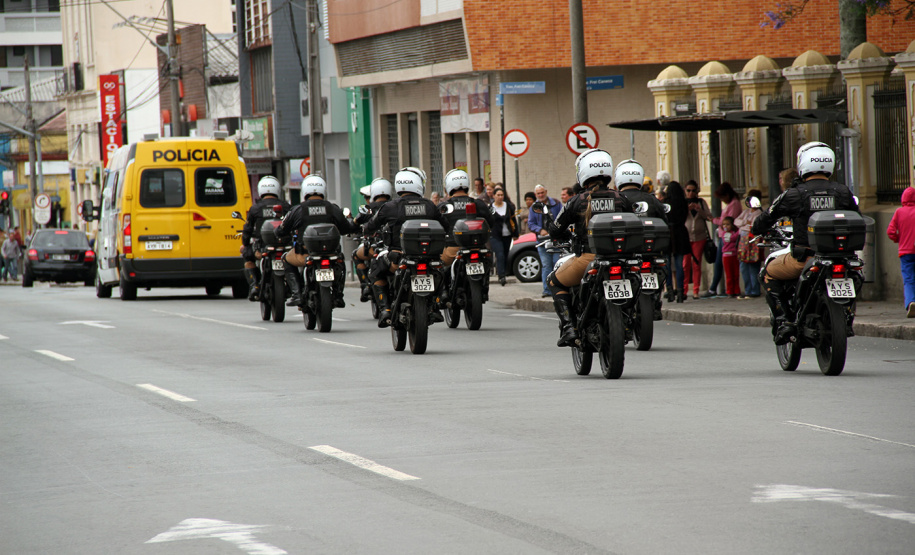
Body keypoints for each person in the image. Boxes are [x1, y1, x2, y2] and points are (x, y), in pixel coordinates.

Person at [752, 141, 860, 344]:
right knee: (855, 276)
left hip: (806, 259)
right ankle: (847, 315)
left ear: (803, 163)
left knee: (767, 273)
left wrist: (758, 228)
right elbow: (857, 217)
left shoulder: (794, 193)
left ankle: (784, 320)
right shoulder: (843, 191)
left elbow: (765, 218)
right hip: (842, 258)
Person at [545, 148, 632, 347]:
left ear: (583, 172)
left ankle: (569, 328)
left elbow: (555, 230)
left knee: (553, 281)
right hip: (622, 259)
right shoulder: (621, 198)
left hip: (589, 259)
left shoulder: (576, 201)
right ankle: (629, 321)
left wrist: (564, 234)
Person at [363, 166, 446, 327]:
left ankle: (385, 309)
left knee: (375, 271)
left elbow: (370, 226)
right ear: (418, 184)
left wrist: (365, 229)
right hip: (429, 258)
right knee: (441, 272)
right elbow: (445, 225)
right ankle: (435, 305)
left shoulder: (389, 207)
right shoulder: (429, 205)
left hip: (398, 257)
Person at [276, 175, 358, 308]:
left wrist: (281, 232)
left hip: (305, 254)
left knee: (285, 258)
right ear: (323, 190)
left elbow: (281, 230)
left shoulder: (297, 209)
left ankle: (297, 294)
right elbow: (346, 229)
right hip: (331, 254)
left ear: (304, 191)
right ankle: (338, 295)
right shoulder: (333, 208)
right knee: (341, 262)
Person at [240, 176, 291, 301]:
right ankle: (295, 287)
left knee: (247, 256)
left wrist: (245, 244)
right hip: (284, 246)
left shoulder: (255, 208)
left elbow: (247, 229)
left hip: (262, 247)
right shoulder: (285, 206)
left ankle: (254, 286)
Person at [439, 168, 493, 269]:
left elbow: (437, 226)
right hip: (477, 248)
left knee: (439, 268)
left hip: (452, 249)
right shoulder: (478, 203)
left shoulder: (444, 207)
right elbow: (491, 222)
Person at [353, 177, 394, 302]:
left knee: (355, 255)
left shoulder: (367, 208)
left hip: (373, 248)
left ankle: (365, 285)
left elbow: (355, 223)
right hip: (393, 248)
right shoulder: (394, 206)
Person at [701, 182, 743, 298]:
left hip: (727, 239)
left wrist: (715, 220)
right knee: (722, 266)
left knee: (726, 268)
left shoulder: (734, 204)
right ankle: (720, 288)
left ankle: (718, 289)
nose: (722, 200)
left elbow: (728, 222)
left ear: (727, 195)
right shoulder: (731, 204)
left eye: (722, 197)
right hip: (724, 237)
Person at [528, 184, 563, 297]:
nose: (541, 195)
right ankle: (547, 290)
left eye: (542, 192)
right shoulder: (534, 207)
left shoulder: (556, 203)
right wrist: (540, 230)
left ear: (546, 192)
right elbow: (531, 224)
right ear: (535, 195)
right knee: (546, 266)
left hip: (556, 240)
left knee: (557, 265)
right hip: (543, 241)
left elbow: (562, 218)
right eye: (538, 193)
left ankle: (558, 290)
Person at [887, 186, 915, 318]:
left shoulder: (899, 212)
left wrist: (899, 239)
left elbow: (890, 232)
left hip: (905, 252)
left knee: (909, 279)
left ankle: (911, 302)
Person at [683, 180, 712, 299]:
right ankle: (684, 290)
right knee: (685, 264)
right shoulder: (683, 202)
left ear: (697, 191)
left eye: (693, 190)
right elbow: (679, 217)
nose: (691, 193)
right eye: (688, 190)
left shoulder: (701, 202)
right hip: (686, 237)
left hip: (699, 237)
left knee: (696, 263)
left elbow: (709, 217)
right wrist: (687, 210)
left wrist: (700, 210)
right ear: (685, 191)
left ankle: (696, 290)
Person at [665, 181, 691, 303]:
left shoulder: (665, 203)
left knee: (667, 264)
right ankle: (680, 292)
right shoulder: (683, 202)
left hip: (668, 234)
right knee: (680, 265)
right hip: (680, 233)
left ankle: (670, 291)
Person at [735, 189, 763, 298]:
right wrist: (744, 223)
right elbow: (736, 221)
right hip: (743, 239)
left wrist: (744, 225)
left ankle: (754, 290)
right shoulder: (746, 212)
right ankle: (748, 290)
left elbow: (753, 226)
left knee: (753, 265)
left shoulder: (759, 213)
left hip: (752, 240)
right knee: (743, 265)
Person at [490, 187, 518, 286]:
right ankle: (501, 276)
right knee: (500, 254)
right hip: (495, 235)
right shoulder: (491, 207)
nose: (500, 197)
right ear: (494, 196)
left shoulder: (508, 206)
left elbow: (513, 220)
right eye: (498, 195)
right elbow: (488, 221)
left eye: (502, 195)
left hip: (507, 234)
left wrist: (515, 234)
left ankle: (504, 272)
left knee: (505, 254)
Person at [719, 216, 741, 297]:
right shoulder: (725, 234)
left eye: (728, 224)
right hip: (727, 256)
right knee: (729, 275)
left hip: (734, 255)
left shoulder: (733, 232)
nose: (725, 226)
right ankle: (730, 291)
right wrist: (740, 231)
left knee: (736, 274)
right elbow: (731, 238)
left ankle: (736, 290)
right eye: (724, 224)